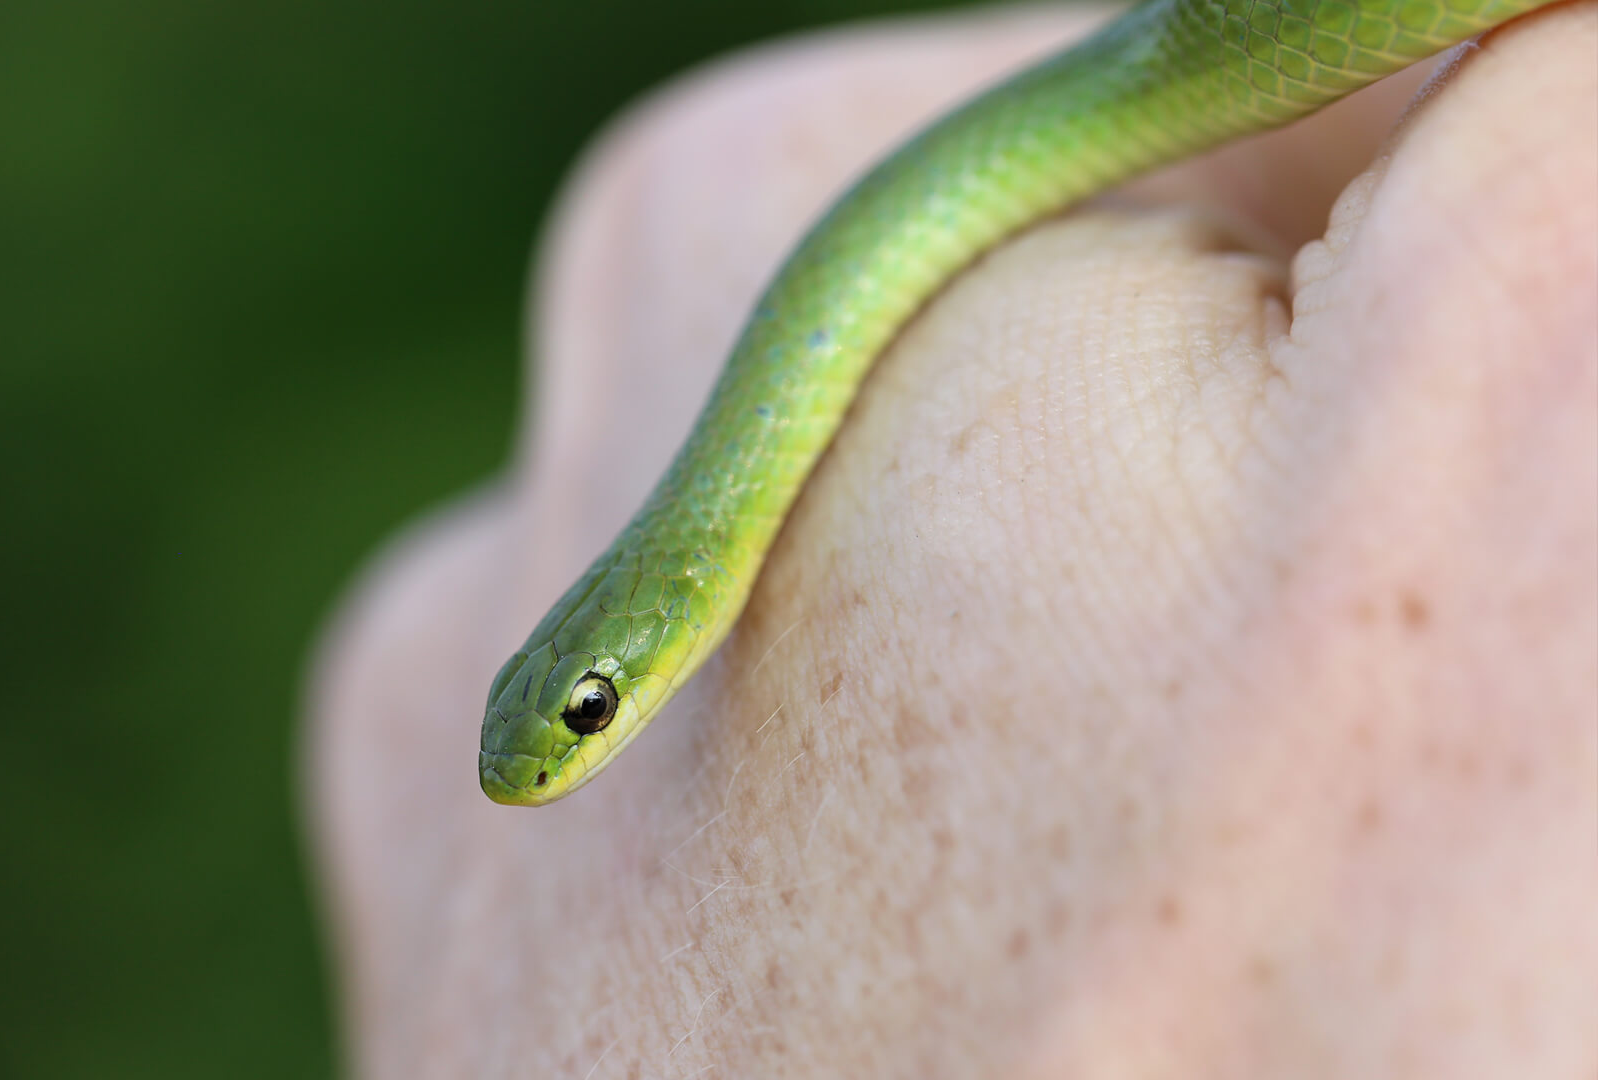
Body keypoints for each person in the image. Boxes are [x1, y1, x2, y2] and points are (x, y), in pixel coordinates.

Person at [306, 5, 1596, 1076]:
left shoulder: (703, 530)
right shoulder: (698, 538)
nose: (573, 745)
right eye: (589, 713)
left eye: (590, 708)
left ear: (665, 606)